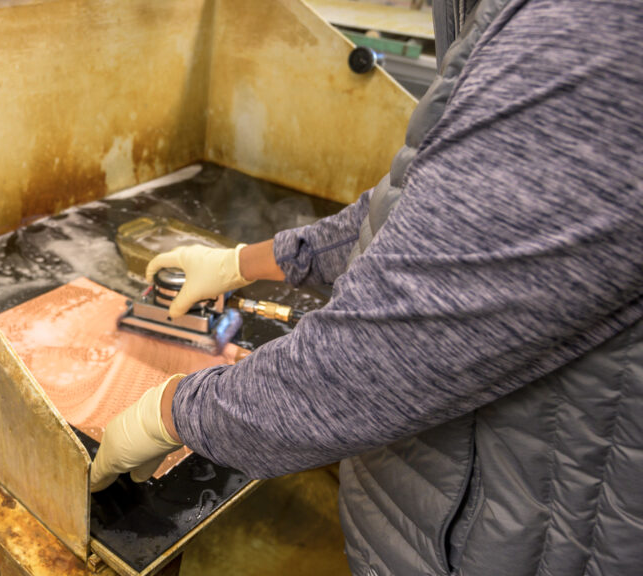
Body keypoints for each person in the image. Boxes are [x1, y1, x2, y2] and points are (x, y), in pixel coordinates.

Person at [89, 0, 643, 574]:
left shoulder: (588, 27)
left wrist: (172, 412)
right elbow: (413, 206)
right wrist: (246, 261)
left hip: (526, 539)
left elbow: (379, 362)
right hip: (468, 507)